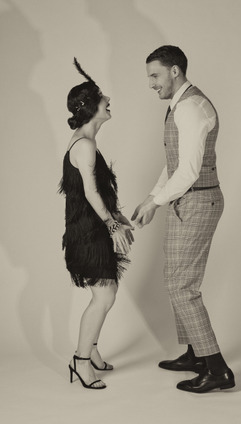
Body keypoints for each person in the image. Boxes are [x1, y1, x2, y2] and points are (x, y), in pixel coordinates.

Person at [132, 45, 235, 393]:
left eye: (155, 75)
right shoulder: (181, 105)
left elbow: (189, 171)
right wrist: (152, 197)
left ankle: (217, 368)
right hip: (186, 200)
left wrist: (156, 202)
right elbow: (175, 162)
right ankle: (195, 354)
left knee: (181, 285)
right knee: (175, 275)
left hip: (197, 201)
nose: (151, 83)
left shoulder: (190, 108)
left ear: (175, 71)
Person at [59, 58, 134, 390]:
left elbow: (97, 190)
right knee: (104, 296)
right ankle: (81, 361)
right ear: (92, 107)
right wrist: (112, 224)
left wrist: (116, 216)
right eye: (104, 99)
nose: (108, 102)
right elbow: (90, 191)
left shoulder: (85, 141)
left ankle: (91, 349)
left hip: (92, 227)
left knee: (107, 293)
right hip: (87, 231)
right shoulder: (85, 146)